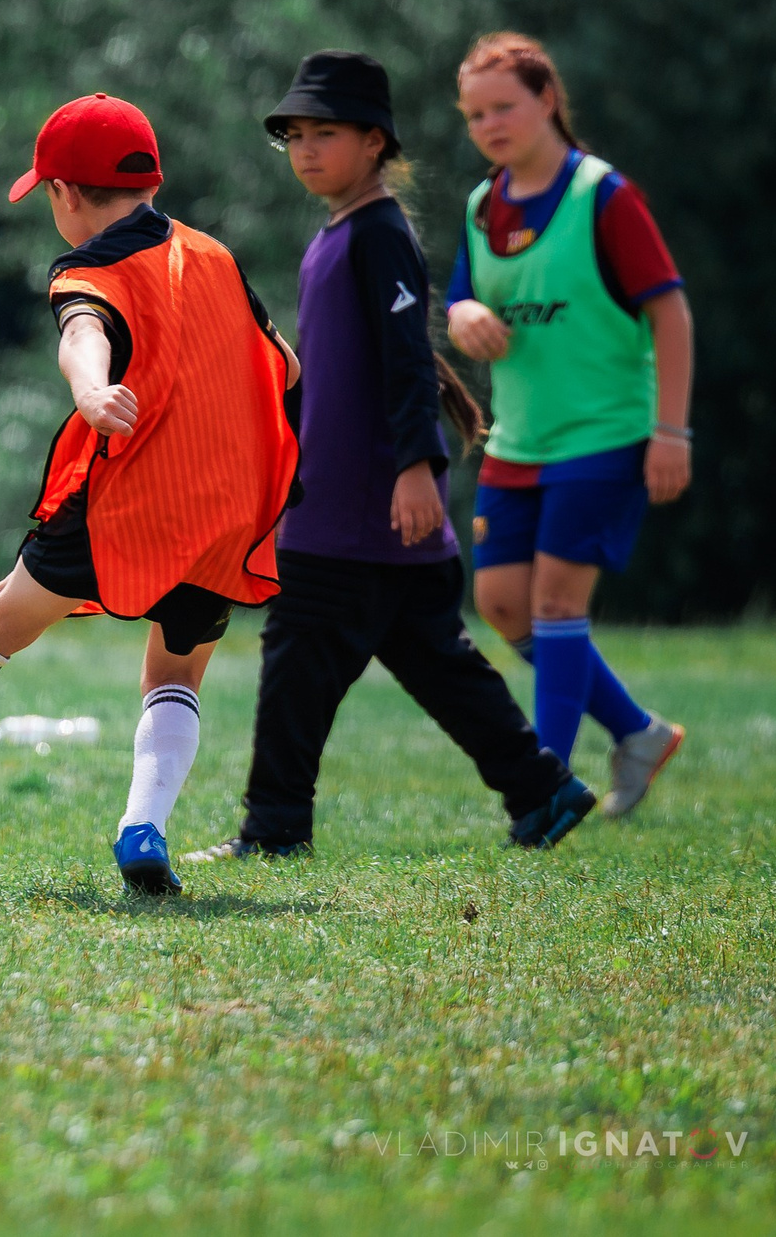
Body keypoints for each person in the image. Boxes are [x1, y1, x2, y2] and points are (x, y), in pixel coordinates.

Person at [0, 94, 298, 894]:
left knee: (3, 616)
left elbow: (82, 332)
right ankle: (145, 828)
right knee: (176, 671)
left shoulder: (88, 267)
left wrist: (96, 392)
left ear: (66, 193)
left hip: (131, 500)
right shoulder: (215, 256)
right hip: (230, 509)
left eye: (48, 196)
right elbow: (288, 365)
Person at [185, 52, 595, 866]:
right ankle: (541, 787)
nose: (306, 150)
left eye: (324, 133)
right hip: (345, 507)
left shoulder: (378, 234)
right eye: (294, 136)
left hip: (359, 511)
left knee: (299, 658)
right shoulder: (338, 234)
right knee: (436, 664)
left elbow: (408, 357)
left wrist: (419, 466)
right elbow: (337, 368)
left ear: (374, 142)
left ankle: (274, 826)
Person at [444, 32, 691, 818]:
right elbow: (457, 300)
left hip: (606, 433)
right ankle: (637, 732)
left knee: (555, 604)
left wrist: (671, 431)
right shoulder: (484, 205)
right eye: (475, 113)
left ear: (547, 99)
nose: (489, 124)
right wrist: (467, 313)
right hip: (518, 441)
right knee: (504, 605)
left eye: (504, 106)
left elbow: (671, 312)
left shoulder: (603, 195)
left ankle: (541, 797)